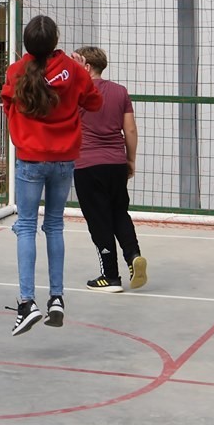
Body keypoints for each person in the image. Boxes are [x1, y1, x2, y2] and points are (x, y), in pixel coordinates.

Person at [0, 15, 103, 337]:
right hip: (64, 158)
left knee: (26, 226)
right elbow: (95, 103)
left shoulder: (16, 70)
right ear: (55, 40)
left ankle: (27, 302)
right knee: (54, 225)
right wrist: (82, 73)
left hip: (31, 157)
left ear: (28, 42)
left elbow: (7, 103)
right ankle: (56, 297)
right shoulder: (72, 69)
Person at [72, 46, 145, 294]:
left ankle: (110, 277)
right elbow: (131, 130)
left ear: (87, 67)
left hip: (88, 164)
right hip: (116, 163)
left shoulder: (77, 92)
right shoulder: (120, 91)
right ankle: (133, 255)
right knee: (119, 213)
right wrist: (130, 160)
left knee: (98, 219)